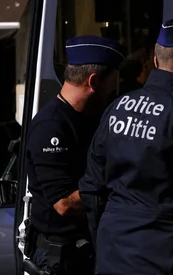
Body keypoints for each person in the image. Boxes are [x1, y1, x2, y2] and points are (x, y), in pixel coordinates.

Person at [79, 18, 173, 275]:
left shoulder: (117, 107)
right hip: (162, 256)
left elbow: (91, 187)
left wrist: (105, 237)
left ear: (156, 61)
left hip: (111, 252)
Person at [25, 36, 125, 275]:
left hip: (89, 249)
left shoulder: (92, 117)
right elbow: (64, 205)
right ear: (93, 81)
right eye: (112, 83)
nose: (114, 90)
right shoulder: (51, 127)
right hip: (62, 259)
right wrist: (124, 187)